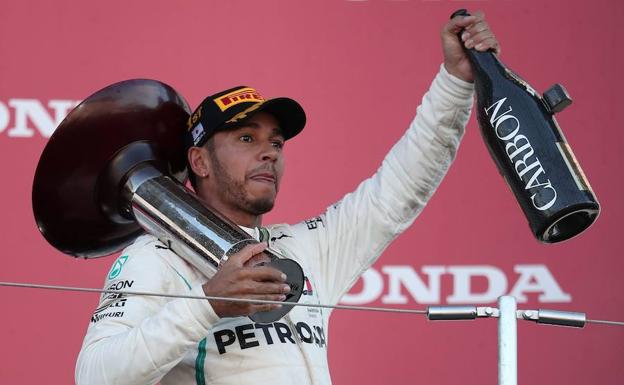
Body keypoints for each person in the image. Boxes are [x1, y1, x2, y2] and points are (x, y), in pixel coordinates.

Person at [76, 11, 500, 385]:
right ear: (199, 162)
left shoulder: (306, 248)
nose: (269, 152)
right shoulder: (156, 256)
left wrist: (456, 82)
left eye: (276, 142)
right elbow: (94, 375)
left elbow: (402, 186)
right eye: (247, 138)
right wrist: (207, 306)